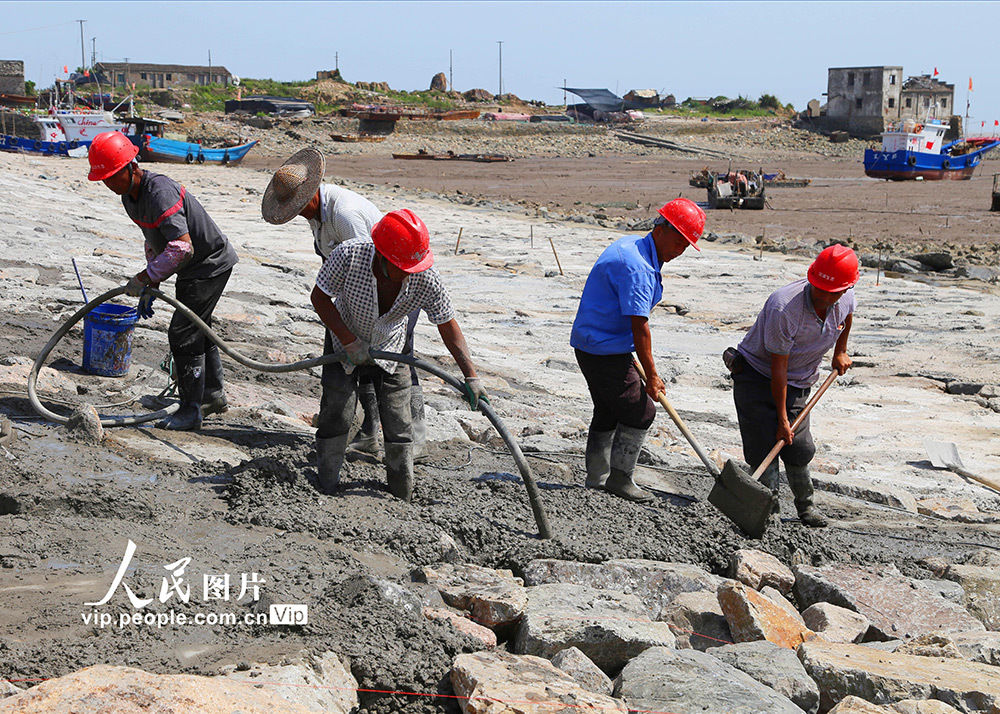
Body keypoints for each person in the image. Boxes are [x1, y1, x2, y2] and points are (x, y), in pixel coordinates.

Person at [309, 208, 486, 501]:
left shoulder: (424, 276)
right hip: (344, 342)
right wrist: (349, 341)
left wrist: (471, 375)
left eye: (411, 268)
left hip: (391, 347)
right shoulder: (349, 255)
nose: (407, 274)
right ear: (380, 254)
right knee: (337, 411)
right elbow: (320, 297)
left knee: (398, 419)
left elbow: (448, 326)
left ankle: (401, 492)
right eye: (400, 266)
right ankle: (326, 485)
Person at [262, 149, 427, 458]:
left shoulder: (344, 214)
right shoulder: (317, 216)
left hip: (396, 292)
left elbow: (373, 269)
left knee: (396, 361)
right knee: (356, 360)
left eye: (295, 208)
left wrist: (356, 329)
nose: (294, 214)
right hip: (360, 297)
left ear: (309, 196)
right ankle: (368, 434)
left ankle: (413, 437)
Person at [87, 131, 238, 431]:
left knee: (183, 333)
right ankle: (212, 395)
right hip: (192, 266)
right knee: (198, 327)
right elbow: (154, 239)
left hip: (209, 264)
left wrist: (145, 277)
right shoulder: (130, 197)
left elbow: (182, 246)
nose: (107, 184)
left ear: (131, 167)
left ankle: (191, 410)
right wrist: (152, 283)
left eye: (112, 176)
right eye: (103, 178)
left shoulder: (159, 191)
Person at [570, 198, 706, 502]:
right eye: (680, 242)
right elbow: (639, 327)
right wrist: (653, 377)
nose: (681, 251)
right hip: (603, 348)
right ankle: (620, 480)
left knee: (608, 408)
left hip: (596, 341)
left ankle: (597, 477)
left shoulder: (634, 246)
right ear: (663, 228)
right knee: (641, 411)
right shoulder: (638, 268)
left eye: (687, 245)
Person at [729, 244, 858, 528]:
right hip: (757, 377)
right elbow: (779, 369)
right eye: (819, 289)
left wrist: (841, 350)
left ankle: (806, 507)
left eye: (832, 293)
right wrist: (782, 419)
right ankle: (768, 512)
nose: (823, 296)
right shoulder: (783, 307)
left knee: (799, 448)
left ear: (845, 289)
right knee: (766, 448)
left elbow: (847, 318)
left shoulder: (845, 298)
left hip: (799, 380)